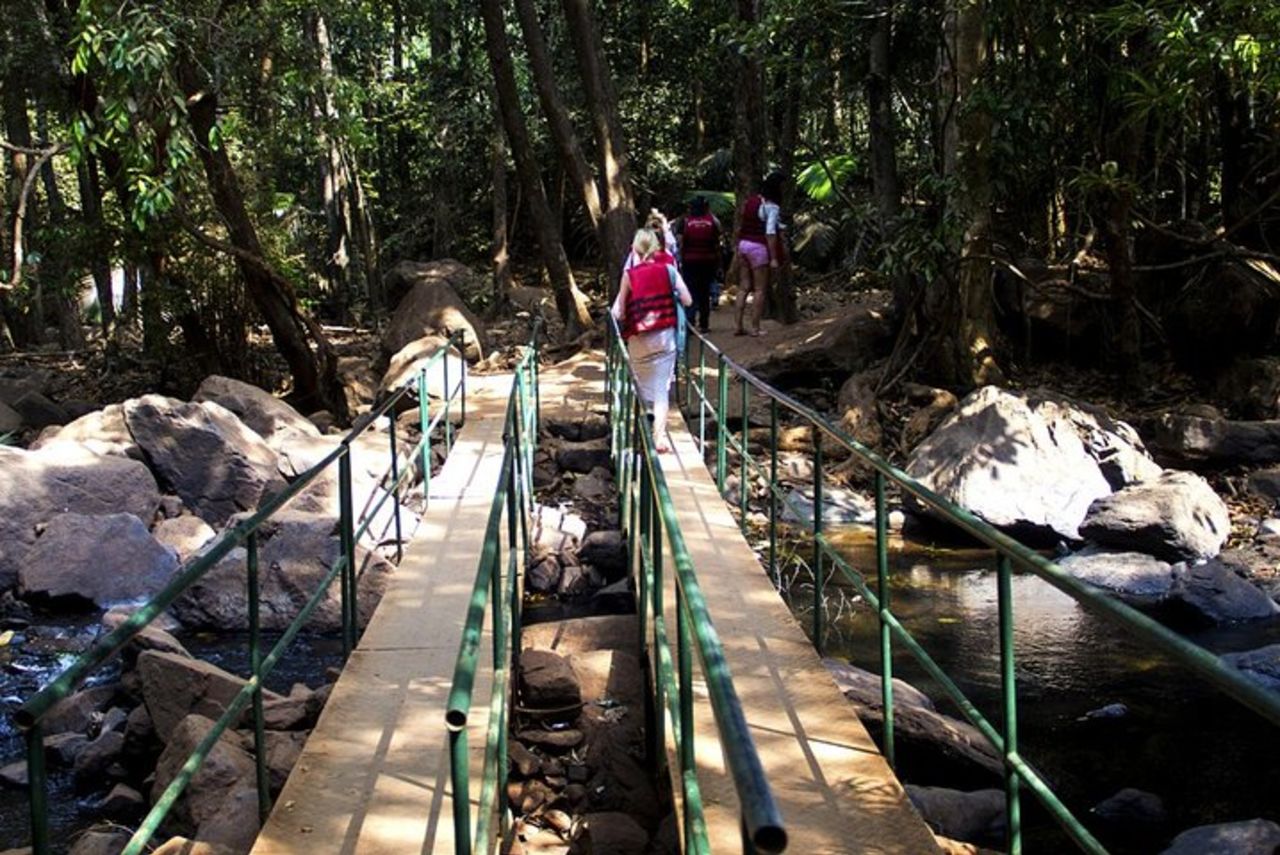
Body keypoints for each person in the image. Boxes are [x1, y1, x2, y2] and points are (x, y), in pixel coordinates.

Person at [611, 228, 693, 453]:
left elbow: (617, 311)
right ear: (656, 247)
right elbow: (687, 300)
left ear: (635, 249)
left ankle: (638, 433)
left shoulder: (630, 274)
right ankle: (659, 438)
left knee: (639, 384)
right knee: (660, 389)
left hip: (638, 339)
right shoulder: (669, 270)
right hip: (665, 338)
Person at [733, 171, 786, 337]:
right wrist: (774, 258)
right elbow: (770, 232)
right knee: (759, 289)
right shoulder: (772, 207)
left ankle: (738, 326)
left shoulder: (752, 201)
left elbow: (744, 221)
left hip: (743, 245)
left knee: (743, 287)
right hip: (758, 248)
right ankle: (755, 328)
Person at [674, 196, 722, 332]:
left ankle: (690, 323)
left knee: (690, 291)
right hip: (708, 261)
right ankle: (704, 324)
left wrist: (681, 259)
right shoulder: (712, 221)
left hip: (690, 261)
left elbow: (681, 243)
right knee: (704, 292)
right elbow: (717, 240)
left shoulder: (685, 222)